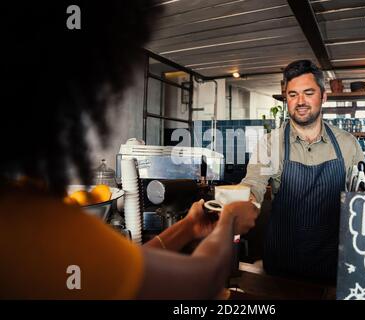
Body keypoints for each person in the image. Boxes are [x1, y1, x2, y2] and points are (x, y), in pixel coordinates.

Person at [0, 1, 259, 299]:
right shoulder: (32, 221)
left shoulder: (18, 206)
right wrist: (228, 222)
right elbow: (200, 281)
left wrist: (188, 226)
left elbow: (133, 265)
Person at [241, 60, 365, 283]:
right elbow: (252, 185)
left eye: (308, 93)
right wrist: (240, 205)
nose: (300, 102)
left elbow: (364, 202)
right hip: (282, 266)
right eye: (292, 95)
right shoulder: (270, 144)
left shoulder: (348, 144)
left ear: (323, 97)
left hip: (332, 266)